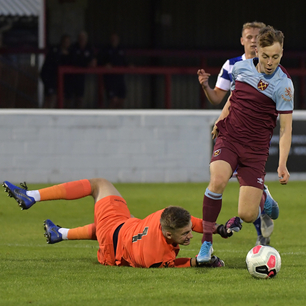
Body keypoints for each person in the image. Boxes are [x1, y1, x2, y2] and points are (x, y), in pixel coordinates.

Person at [196, 25, 293, 263]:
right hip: (230, 137)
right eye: (266, 55)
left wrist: (282, 164)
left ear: (282, 53)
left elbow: (286, 128)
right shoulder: (239, 67)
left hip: (256, 149)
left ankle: (264, 199)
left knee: (247, 214)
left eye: (276, 56)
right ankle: (206, 245)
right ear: (257, 50)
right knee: (217, 180)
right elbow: (233, 96)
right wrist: (221, 118)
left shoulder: (284, 84)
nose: (270, 62)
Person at [2, 178, 242, 268]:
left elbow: (193, 223)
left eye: (190, 232)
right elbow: (178, 263)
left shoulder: (165, 216)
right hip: (115, 242)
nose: (191, 235)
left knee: (99, 184)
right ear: (167, 234)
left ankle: (36, 198)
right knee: (100, 186)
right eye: (186, 234)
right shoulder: (155, 257)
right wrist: (203, 262)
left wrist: (218, 229)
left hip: (119, 229)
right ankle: (54, 226)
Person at [40, 34, 72, 108]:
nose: (66, 43)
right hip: (50, 78)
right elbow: (50, 66)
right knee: (50, 98)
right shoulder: (54, 51)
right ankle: (44, 116)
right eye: (65, 42)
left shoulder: (70, 52)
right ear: (62, 42)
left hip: (62, 80)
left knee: (63, 99)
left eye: (68, 42)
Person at [97, 33, 128, 109]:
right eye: (113, 39)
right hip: (110, 79)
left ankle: (119, 118)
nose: (114, 41)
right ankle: (110, 118)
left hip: (120, 79)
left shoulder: (121, 50)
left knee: (121, 100)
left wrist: (129, 65)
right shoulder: (106, 50)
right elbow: (99, 61)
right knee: (113, 100)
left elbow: (125, 62)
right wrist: (105, 65)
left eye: (116, 39)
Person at [68, 31, 97, 108]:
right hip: (71, 77)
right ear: (78, 39)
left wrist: (89, 63)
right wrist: (85, 63)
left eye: (83, 38)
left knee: (80, 98)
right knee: (69, 98)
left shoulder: (89, 47)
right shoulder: (74, 47)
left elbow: (92, 61)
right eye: (80, 38)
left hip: (82, 77)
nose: (82, 40)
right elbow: (74, 61)